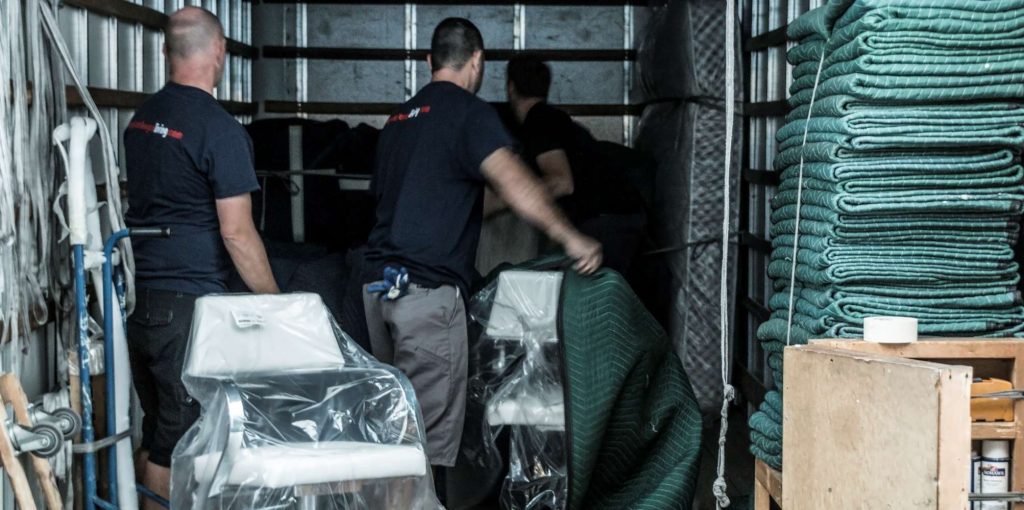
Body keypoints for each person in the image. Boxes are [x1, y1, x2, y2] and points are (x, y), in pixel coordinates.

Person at [361, 17, 601, 492]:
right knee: (423, 453)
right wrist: (571, 238)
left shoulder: (398, 120)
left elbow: (425, 197)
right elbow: (517, 185)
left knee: (396, 438)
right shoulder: (469, 114)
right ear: (478, 61)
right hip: (426, 301)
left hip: (378, 293)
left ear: (429, 61)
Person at [123, 7, 278, 506]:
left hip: (140, 299)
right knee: (178, 438)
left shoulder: (139, 121)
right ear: (220, 52)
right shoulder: (220, 130)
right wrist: (275, 299)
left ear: (165, 52)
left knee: (157, 428)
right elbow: (237, 233)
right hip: (187, 306)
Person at [495, 55, 648, 276]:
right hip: (622, 219)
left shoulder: (539, 120)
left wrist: (510, 198)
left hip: (608, 223)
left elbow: (561, 182)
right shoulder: (556, 121)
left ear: (510, 87)